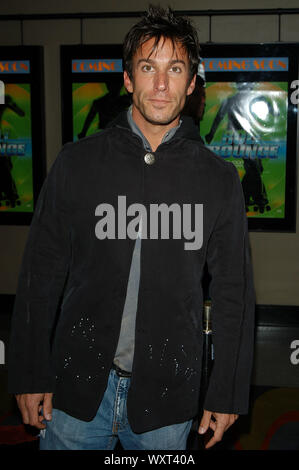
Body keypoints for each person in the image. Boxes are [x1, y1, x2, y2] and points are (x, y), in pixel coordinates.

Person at [8, 5, 255, 451]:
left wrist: (227, 391)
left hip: (166, 398)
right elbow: (38, 277)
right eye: (148, 68)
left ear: (193, 83)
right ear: (127, 79)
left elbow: (234, 294)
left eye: (174, 69)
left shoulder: (218, 180)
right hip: (75, 390)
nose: (161, 85)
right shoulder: (75, 164)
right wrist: (28, 372)